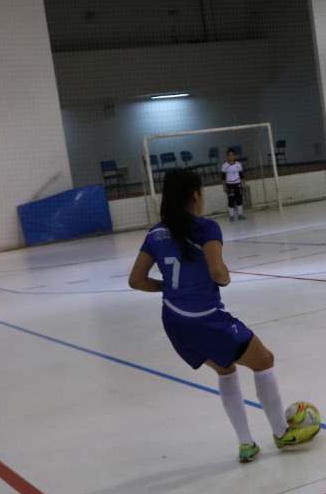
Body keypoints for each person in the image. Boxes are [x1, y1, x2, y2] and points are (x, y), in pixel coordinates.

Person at [128, 169, 313, 463]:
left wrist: (172, 288)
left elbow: (136, 280)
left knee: (226, 369)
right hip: (206, 318)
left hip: (175, 323)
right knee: (264, 360)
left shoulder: (156, 233)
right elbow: (218, 272)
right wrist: (224, 278)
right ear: (195, 196)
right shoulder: (206, 228)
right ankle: (282, 433)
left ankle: (246, 444)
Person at [220, 149, 245, 222]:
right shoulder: (224, 166)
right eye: (229, 155)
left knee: (239, 199)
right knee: (231, 200)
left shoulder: (238, 164)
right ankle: (231, 216)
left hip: (237, 183)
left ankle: (240, 215)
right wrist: (224, 186)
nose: (231, 157)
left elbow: (241, 175)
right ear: (227, 157)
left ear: (234, 156)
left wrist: (244, 184)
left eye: (232, 155)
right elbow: (223, 177)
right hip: (229, 185)